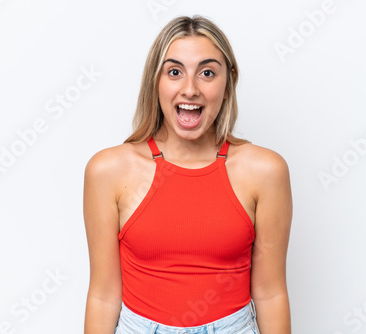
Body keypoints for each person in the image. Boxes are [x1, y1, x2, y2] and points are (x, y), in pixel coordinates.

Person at [83, 15, 293, 334]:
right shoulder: (109, 170)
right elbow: (103, 295)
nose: (190, 89)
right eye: (175, 72)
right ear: (156, 82)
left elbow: (270, 293)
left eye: (207, 73)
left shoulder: (265, 171)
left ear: (227, 84)